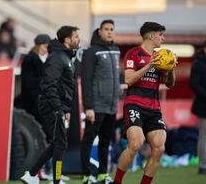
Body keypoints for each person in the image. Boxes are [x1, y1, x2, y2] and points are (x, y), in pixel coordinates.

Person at [112, 22, 176, 184]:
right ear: (151, 35)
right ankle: (117, 182)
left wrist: (170, 70)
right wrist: (149, 65)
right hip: (134, 105)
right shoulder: (133, 54)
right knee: (136, 144)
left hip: (153, 108)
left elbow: (169, 84)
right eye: (161, 34)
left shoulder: (162, 57)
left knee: (159, 147)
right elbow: (129, 79)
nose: (163, 38)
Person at [21, 26, 80, 184]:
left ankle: (33, 174)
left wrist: (65, 109)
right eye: (75, 36)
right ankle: (56, 179)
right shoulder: (57, 57)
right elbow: (48, 86)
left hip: (58, 105)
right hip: (52, 105)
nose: (78, 39)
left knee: (58, 143)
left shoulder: (65, 57)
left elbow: (65, 87)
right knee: (60, 143)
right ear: (67, 40)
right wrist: (58, 108)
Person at [80, 19, 120, 184]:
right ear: (99, 32)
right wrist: (88, 107)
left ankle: (102, 175)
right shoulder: (91, 52)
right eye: (106, 29)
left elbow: (115, 76)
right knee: (88, 140)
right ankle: (86, 176)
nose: (109, 32)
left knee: (105, 141)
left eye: (112, 29)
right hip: (96, 106)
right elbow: (86, 81)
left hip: (112, 106)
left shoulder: (116, 50)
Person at [21, 34, 51, 123]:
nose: (47, 49)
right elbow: (28, 81)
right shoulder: (29, 59)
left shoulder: (43, 59)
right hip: (32, 99)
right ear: (38, 46)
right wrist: (45, 80)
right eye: (45, 47)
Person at [190, 40, 206, 175]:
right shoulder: (198, 63)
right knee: (204, 135)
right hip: (203, 106)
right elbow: (194, 84)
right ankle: (203, 166)